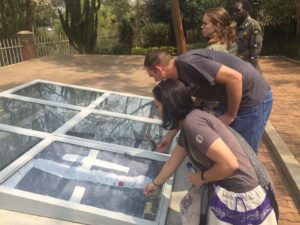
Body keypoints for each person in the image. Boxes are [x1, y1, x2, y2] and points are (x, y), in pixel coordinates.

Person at [143, 79, 278, 225]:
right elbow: (172, 162)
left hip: (241, 195)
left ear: (169, 106)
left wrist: (202, 177)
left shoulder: (193, 124)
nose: (158, 110)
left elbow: (229, 164)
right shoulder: (189, 123)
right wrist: (155, 184)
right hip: (229, 186)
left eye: (158, 106)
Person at [144, 49, 272, 154]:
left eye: (153, 75)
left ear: (159, 70)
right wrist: (170, 135)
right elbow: (192, 102)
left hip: (251, 97)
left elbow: (235, 79)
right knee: (227, 147)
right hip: (228, 98)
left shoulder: (189, 63)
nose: (155, 80)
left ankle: (254, 184)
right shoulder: (178, 78)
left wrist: (230, 115)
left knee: (244, 152)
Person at [232, 0, 263, 71]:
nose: (234, 13)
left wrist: (252, 71)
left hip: (248, 68)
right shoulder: (236, 27)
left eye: (238, 11)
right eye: (233, 11)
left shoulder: (253, 25)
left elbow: (255, 51)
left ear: (246, 10)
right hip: (238, 66)